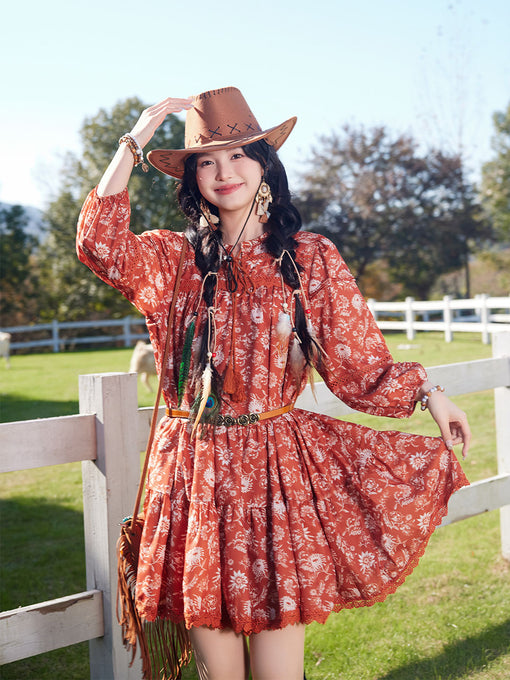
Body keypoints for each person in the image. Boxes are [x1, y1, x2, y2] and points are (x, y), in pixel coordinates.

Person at [76, 87, 470, 680]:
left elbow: (359, 363)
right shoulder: (175, 260)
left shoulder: (308, 258)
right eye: (206, 161)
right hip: (193, 474)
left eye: (238, 156)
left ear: (265, 164)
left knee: (279, 672)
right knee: (222, 671)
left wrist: (427, 392)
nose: (223, 172)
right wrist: (136, 139)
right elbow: (98, 244)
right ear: (192, 180)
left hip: (273, 476)